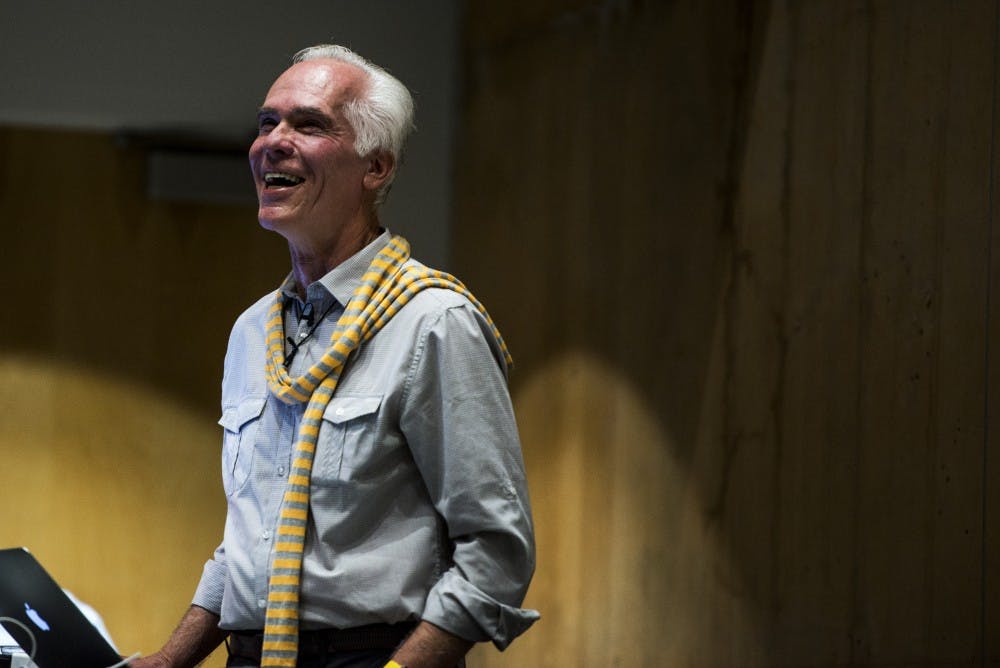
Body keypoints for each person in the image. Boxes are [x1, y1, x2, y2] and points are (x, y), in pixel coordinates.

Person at [132, 44, 537, 668]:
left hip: (374, 653)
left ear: (375, 167)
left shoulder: (433, 321)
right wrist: (170, 660)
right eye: (267, 122)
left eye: (309, 124)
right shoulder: (252, 331)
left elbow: (495, 548)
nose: (273, 141)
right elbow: (252, 544)